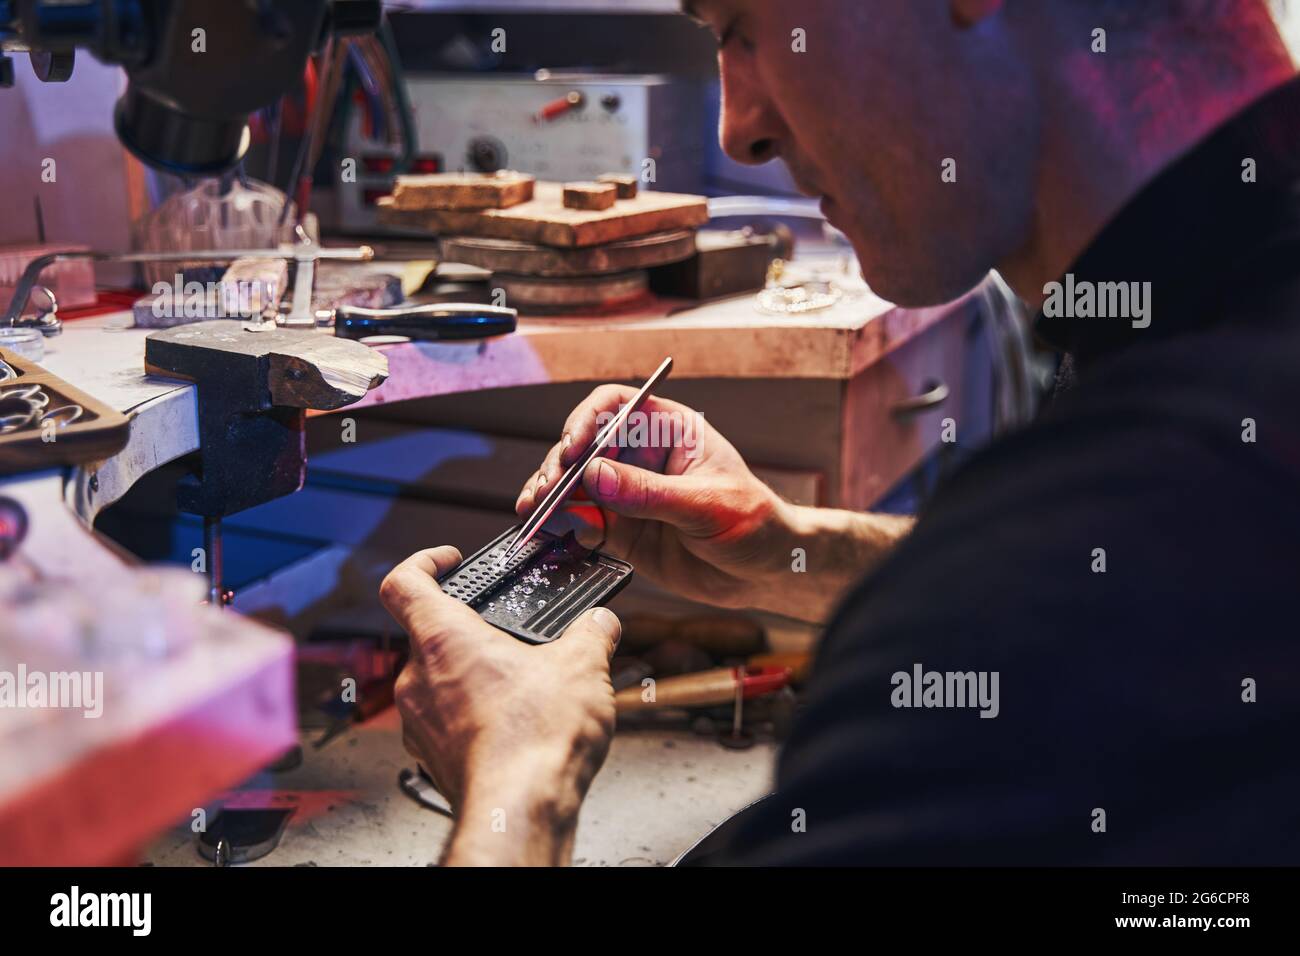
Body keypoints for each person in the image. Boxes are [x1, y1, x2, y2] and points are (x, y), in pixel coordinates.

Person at [380, 0, 1300, 865]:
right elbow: (1122, 591)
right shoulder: (1202, 357)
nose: (737, 130)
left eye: (742, 26)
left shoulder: (1115, 520)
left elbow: (1062, 600)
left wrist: (517, 780)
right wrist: (791, 549)